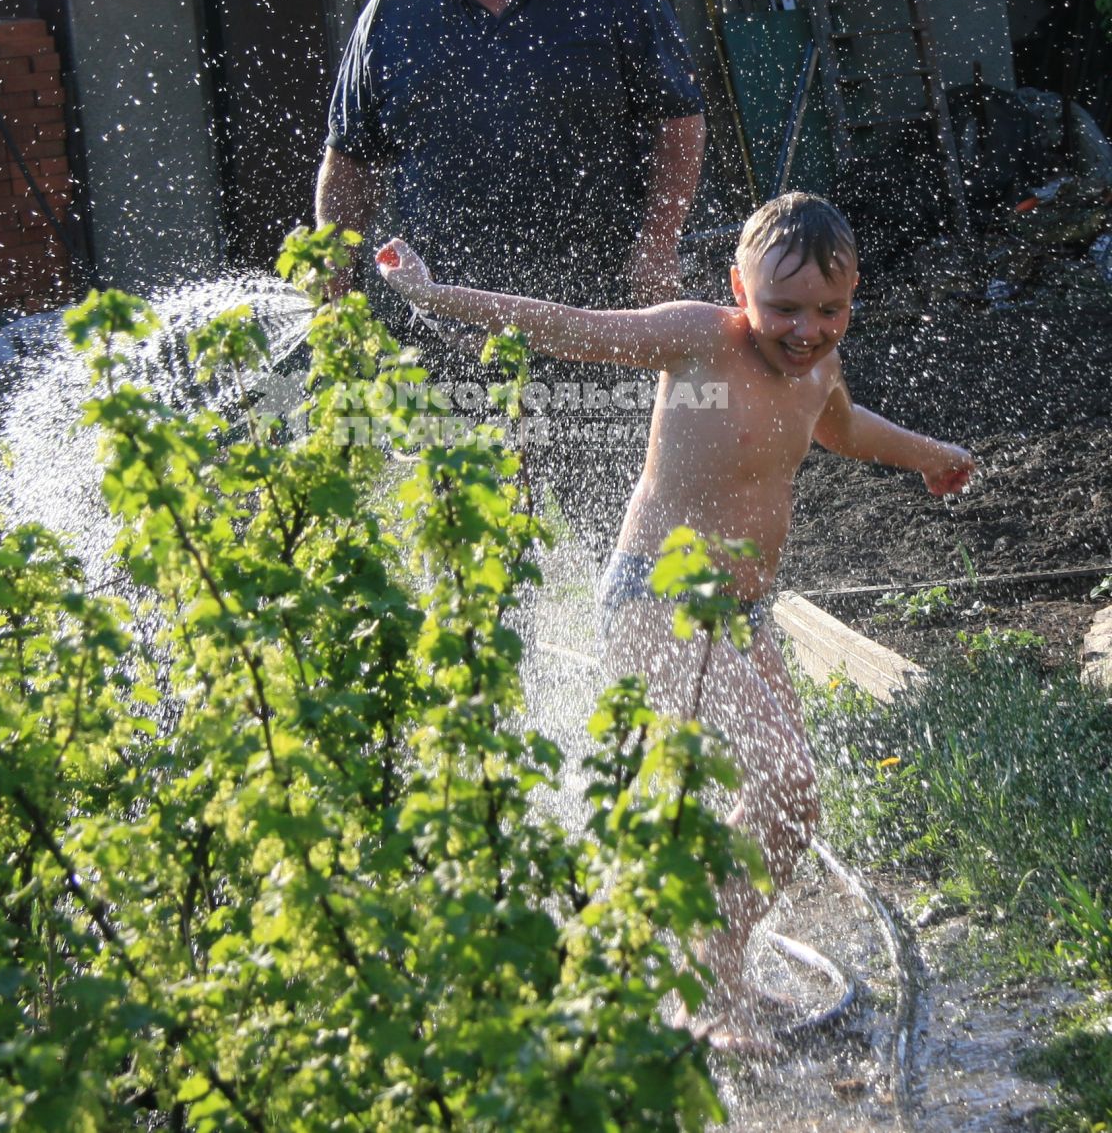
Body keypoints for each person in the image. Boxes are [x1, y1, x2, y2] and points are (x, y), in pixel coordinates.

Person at [374, 192, 975, 1057]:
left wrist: (928, 456)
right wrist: (437, 297)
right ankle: (703, 981)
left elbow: (844, 430)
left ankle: (711, 959)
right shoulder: (701, 339)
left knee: (789, 801)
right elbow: (567, 325)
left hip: (740, 614)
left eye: (830, 310)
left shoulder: (818, 367)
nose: (806, 329)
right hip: (658, 601)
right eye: (783, 308)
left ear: (852, 299)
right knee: (778, 781)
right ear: (738, 288)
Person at [315, 0, 707, 543]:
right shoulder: (395, 15)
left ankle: (645, 655)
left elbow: (678, 119)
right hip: (448, 328)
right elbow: (350, 162)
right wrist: (331, 279)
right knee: (473, 555)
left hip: (596, 317)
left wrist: (658, 240)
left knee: (625, 536)